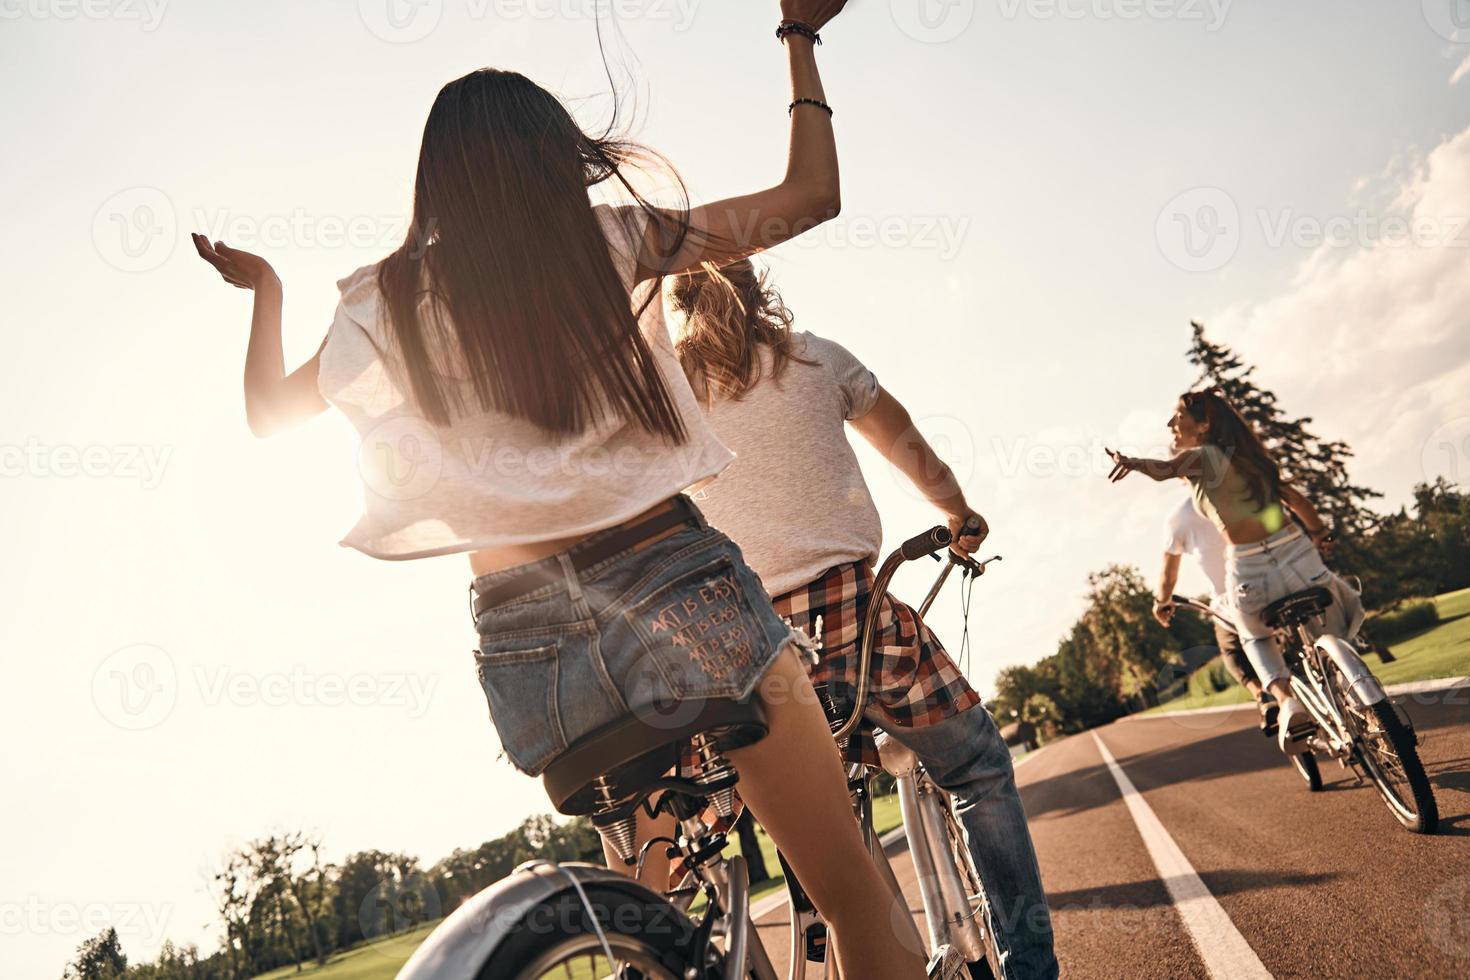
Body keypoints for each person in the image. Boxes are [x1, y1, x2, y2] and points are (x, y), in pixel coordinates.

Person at [190, 6, 926, 976]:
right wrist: (799, 34)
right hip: (683, 595)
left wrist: (267, 291)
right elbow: (810, 196)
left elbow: (267, 417)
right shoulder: (614, 239)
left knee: (654, 926)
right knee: (856, 895)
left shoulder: (382, 298)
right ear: (553, 163)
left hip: (534, 661)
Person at [656, 258, 1058, 980]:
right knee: (975, 766)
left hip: (741, 649)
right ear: (760, 292)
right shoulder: (815, 357)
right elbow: (904, 441)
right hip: (855, 624)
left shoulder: (666, 400)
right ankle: (1031, 969)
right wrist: (958, 513)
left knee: (721, 831)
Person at [1107, 388, 1365, 757]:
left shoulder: (1203, 457)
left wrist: (1131, 461)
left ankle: (1286, 700)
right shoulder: (1250, 457)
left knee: (1254, 639)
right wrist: (1321, 535)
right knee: (1337, 610)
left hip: (1250, 568)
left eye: (1177, 417)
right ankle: (1363, 696)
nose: (1171, 424)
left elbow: (1164, 469)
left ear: (1205, 424)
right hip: (1297, 552)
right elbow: (1295, 499)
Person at [1154, 493, 1277, 735]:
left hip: (1235, 599)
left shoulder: (1181, 517)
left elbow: (1168, 576)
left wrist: (1161, 602)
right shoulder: (1246, 485)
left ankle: (1262, 695)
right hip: (1282, 574)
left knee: (1231, 650)